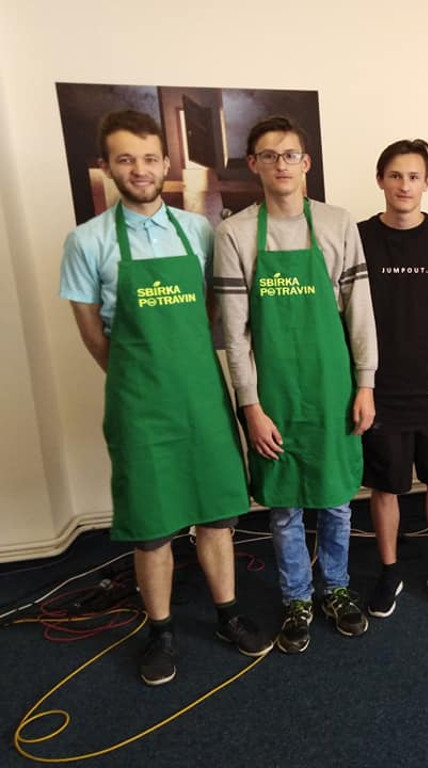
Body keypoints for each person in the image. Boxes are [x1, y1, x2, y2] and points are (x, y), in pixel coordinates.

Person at [59, 109, 271, 686]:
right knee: (151, 527)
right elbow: (93, 334)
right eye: (126, 159)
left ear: (165, 163)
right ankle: (161, 631)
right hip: (139, 406)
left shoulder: (197, 231)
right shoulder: (87, 241)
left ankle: (227, 614)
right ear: (107, 167)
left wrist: (183, 364)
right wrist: (138, 376)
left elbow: (212, 310)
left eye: (149, 158)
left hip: (202, 398)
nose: (140, 169)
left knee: (217, 517)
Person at [214, 115, 377, 653]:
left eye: (289, 155)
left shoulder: (337, 223)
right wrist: (250, 405)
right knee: (284, 506)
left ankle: (336, 589)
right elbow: (235, 333)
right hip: (275, 394)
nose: (280, 164)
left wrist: (365, 383)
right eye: (269, 155)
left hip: (333, 388)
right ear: (254, 165)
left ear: (305, 163)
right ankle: (297, 599)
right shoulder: (235, 233)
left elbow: (359, 311)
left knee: (336, 499)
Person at [358, 139, 428, 617]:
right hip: (379, 387)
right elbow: (347, 318)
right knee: (385, 486)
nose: (404, 185)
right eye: (395, 176)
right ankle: (389, 571)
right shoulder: (359, 237)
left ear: (427, 182)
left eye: (413, 177)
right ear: (380, 180)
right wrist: (359, 386)